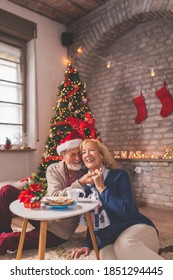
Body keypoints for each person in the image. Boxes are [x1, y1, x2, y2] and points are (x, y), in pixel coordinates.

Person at [71, 138, 164, 260]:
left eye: (91, 150)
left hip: (136, 229)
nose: (87, 154)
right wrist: (87, 244)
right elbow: (92, 220)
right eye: (83, 152)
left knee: (124, 246)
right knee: (106, 259)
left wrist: (101, 187)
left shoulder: (119, 176)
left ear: (102, 155)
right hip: (110, 240)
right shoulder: (87, 187)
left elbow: (125, 211)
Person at [0, 130, 88, 255]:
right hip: (42, 212)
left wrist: (82, 182)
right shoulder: (54, 169)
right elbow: (54, 196)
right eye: (72, 155)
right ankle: (3, 230)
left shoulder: (86, 173)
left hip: (58, 230)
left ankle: (5, 237)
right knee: (6, 191)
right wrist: (79, 184)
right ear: (63, 156)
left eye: (79, 154)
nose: (78, 158)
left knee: (8, 240)